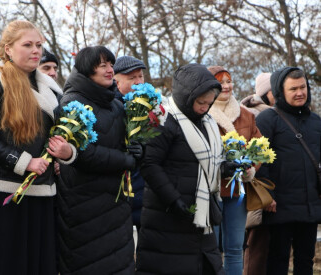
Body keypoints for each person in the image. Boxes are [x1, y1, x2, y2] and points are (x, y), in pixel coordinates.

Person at [0, 20, 72, 275]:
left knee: (39, 264)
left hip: (44, 192)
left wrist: (63, 154)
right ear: (8, 49)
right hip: (7, 193)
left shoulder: (51, 88)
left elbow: (58, 133)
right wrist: (23, 162)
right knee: (8, 264)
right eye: (27, 45)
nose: (36, 50)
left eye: (38, 45)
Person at [136, 63, 228, 275]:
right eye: (200, 102)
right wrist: (173, 199)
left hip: (200, 216)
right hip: (168, 216)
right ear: (186, 97)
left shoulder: (208, 123)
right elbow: (150, 164)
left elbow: (208, 164)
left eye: (208, 102)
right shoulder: (164, 120)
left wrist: (226, 167)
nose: (205, 107)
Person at [57, 46, 139, 274]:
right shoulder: (72, 103)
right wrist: (126, 159)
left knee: (120, 264)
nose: (110, 70)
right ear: (86, 69)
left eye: (110, 64)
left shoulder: (115, 103)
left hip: (116, 202)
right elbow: (83, 153)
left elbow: (126, 143)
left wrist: (137, 148)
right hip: (84, 203)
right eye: (102, 65)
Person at [256, 67, 321, 275]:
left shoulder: (316, 122)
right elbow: (259, 162)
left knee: (305, 261)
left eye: (302, 87)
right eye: (293, 89)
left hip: (309, 206)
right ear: (279, 92)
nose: (300, 92)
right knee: (277, 260)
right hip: (278, 206)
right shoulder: (267, 120)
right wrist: (267, 196)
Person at [207, 65, 262, 275]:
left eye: (229, 81)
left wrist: (252, 168)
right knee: (211, 248)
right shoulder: (202, 112)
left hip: (237, 190)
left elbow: (259, 147)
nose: (226, 86)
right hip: (212, 189)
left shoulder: (246, 115)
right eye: (220, 82)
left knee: (235, 248)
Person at [241, 72, 275, 275]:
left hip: (263, 188)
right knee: (257, 245)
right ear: (265, 93)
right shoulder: (257, 116)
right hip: (256, 190)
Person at [113, 55, 146, 235]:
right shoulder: (112, 106)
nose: (138, 82)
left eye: (140, 76)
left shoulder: (151, 106)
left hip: (144, 186)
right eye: (132, 78)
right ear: (116, 81)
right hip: (120, 189)